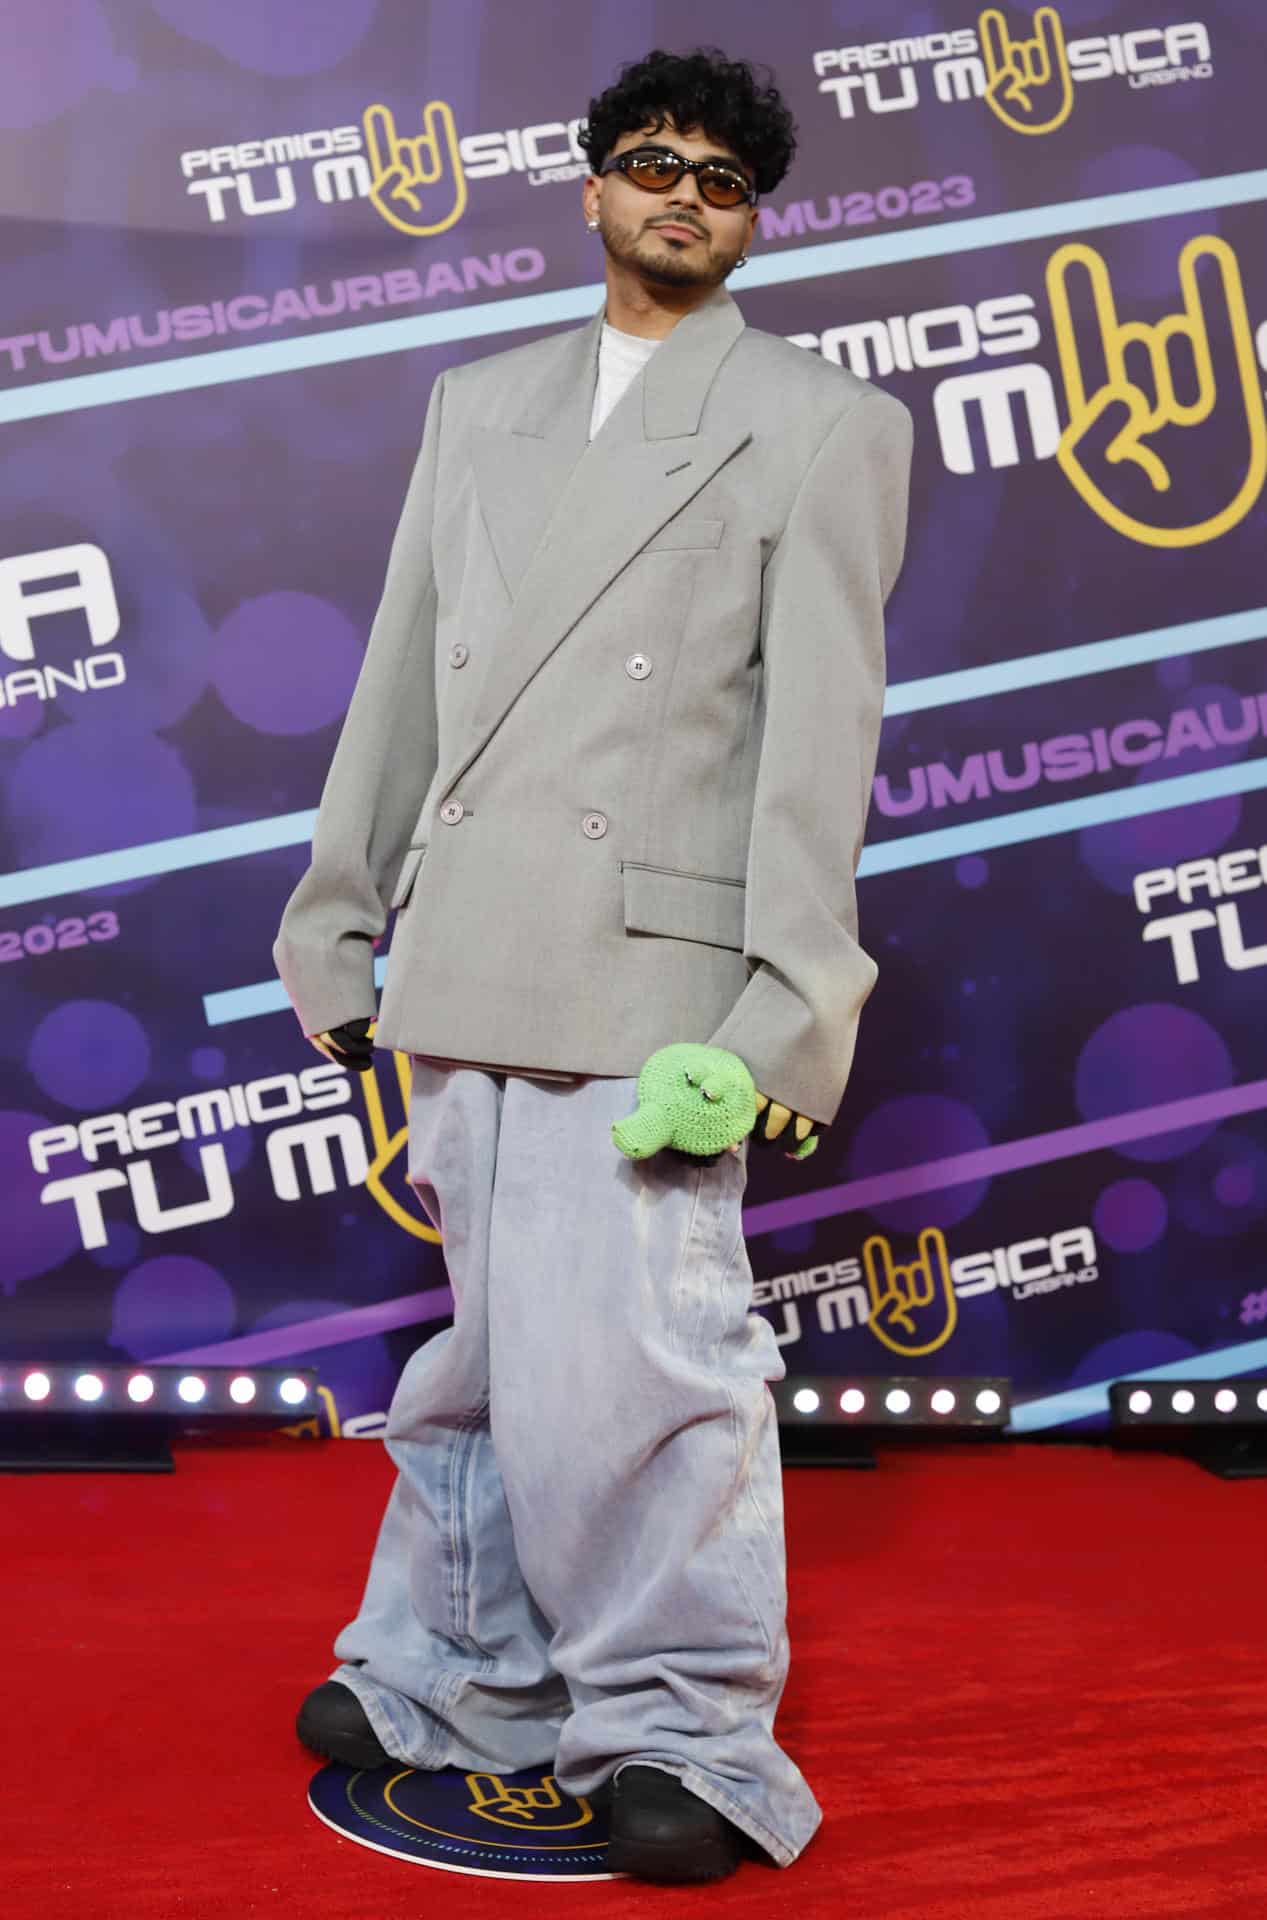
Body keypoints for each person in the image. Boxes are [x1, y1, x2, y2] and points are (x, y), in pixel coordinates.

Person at [273, 45, 912, 1885]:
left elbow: (818, 750)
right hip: (470, 953)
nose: (685, 193)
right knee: (485, 1360)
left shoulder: (820, 423)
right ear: (592, 188)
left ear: (754, 214)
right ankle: (452, 1671)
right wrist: (337, 916)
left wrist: (785, 1014)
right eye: (655, 162)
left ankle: (687, 1734)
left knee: (641, 1368)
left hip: (655, 983)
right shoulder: (477, 402)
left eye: (724, 175)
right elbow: (406, 680)